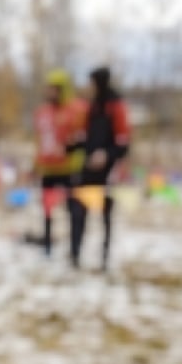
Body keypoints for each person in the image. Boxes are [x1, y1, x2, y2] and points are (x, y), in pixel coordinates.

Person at [69, 66, 130, 270]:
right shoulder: (91, 106)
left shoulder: (117, 106)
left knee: (105, 216)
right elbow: (87, 137)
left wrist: (106, 155)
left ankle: (104, 258)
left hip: (108, 171)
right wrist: (73, 146)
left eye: (91, 83)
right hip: (88, 169)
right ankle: (75, 254)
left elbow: (123, 142)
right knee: (78, 211)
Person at [29, 69, 84, 255]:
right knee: (47, 209)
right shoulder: (42, 112)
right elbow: (39, 141)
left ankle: (74, 249)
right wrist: (35, 165)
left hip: (69, 168)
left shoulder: (76, 109)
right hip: (48, 169)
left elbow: (81, 138)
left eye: (54, 88)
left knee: (73, 209)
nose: (50, 92)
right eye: (49, 88)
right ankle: (47, 246)